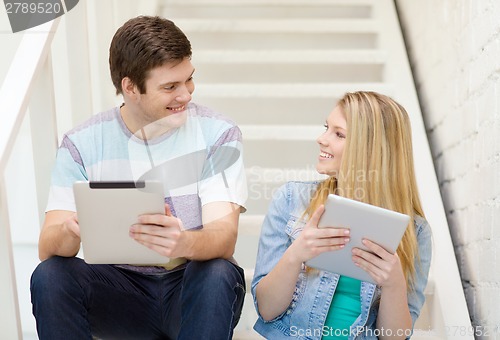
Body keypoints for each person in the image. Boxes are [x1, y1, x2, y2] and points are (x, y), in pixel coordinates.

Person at [30, 16, 247, 340]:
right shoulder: (83, 143)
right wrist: (72, 229)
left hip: (188, 288)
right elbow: (48, 247)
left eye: (188, 80)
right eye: (170, 87)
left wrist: (183, 242)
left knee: (218, 271)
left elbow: (224, 235)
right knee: (51, 274)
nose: (186, 94)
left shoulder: (218, 133)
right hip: (118, 290)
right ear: (131, 88)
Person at [251, 91, 432, 339]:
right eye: (326, 128)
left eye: (338, 134)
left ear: (371, 149)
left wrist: (393, 285)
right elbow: (267, 310)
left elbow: (395, 336)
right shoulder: (292, 199)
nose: (321, 139)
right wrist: (296, 255)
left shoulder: (415, 231)